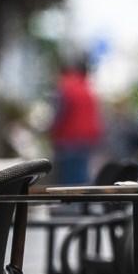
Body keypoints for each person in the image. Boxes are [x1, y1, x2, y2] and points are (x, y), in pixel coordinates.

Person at [49, 53, 105, 185]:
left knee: (68, 181)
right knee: (81, 177)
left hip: (68, 140)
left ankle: (71, 205)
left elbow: (59, 115)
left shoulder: (66, 88)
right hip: (87, 140)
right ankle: (80, 205)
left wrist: (51, 131)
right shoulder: (88, 88)